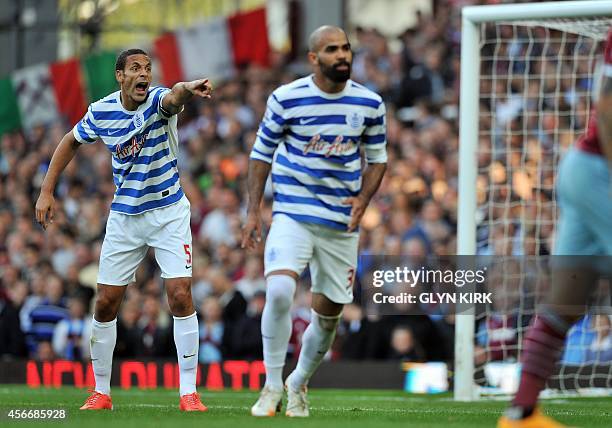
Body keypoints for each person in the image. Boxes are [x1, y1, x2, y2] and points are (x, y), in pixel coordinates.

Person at [34, 48, 212, 412]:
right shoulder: (101, 111)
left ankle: (189, 393)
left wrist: (188, 88)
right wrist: (46, 190)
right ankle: (101, 392)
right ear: (120, 76)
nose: (143, 73)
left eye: (147, 68)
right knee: (105, 302)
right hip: (125, 215)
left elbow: (175, 94)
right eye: (135, 68)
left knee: (180, 295)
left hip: (168, 211)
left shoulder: (159, 100)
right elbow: (70, 141)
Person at [242, 25, 387, 417]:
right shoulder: (286, 99)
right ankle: (272, 385)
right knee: (278, 293)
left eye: (345, 48)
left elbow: (378, 159)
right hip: (292, 214)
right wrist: (254, 210)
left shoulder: (370, 103)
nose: (342, 55)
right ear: (314, 58)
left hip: (340, 225)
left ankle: (299, 381)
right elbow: (261, 155)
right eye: (332, 49)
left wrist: (363, 199)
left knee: (328, 315)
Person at [498, 30, 612, 428]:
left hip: (584, 169)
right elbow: (609, 105)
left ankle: (521, 413)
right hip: (601, 172)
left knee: (565, 301)